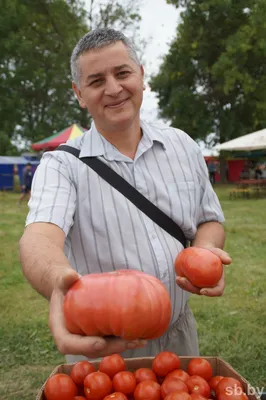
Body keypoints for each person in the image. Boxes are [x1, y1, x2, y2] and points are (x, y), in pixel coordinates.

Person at [19, 28, 231, 363]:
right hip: (103, 348)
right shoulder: (61, 164)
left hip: (179, 333)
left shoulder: (183, 145)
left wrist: (204, 253)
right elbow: (39, 238)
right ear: (78, 93)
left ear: (141, 75)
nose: (114, 89)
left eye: (122, 73)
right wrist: (58, 283)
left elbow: (208, 218)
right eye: (96, 80)